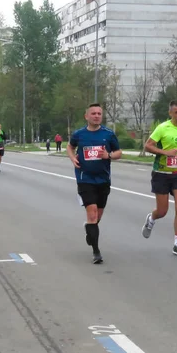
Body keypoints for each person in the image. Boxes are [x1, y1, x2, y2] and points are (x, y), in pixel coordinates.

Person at [141, 100, 177, 257]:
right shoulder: (162, 128)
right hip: (161, 173)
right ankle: (151, 219)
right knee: (162, 211)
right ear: (170, 113)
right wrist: (165, 153)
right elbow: (148, 146)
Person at [67, 103, 122, 264]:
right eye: (93, 113)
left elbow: (119, 153)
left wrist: (108, 155)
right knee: (91, 215)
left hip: (103, 180)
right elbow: (70, 147)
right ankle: (96, 252)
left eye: (99, 113)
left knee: (97, 217)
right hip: (85, 179)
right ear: (87, 116)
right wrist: (72, 157)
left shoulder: (108, 134)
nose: (97, 116)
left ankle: (90, 231)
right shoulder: (79, 134)